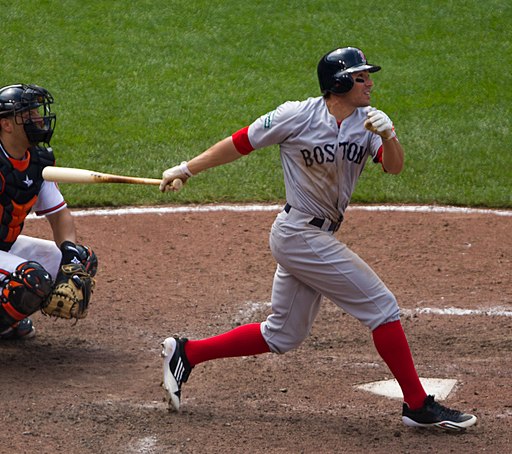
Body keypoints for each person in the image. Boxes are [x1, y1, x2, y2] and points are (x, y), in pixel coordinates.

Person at [158, 47, 477, 431]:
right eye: (361, 78)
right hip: (299, 233)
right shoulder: (296, 115)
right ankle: (416, 404)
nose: (370, 84)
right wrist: (185, 170)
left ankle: (188, 353)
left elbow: (394, 167)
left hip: (311, 235)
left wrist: (389, 136)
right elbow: (240, 143)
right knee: (381, 307)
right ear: (339, 82)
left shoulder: (368, 122)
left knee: (283, 334)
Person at [0, 84, 97, 340]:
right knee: (30, 279)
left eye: (37, 112)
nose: (39, 119)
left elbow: (59, 215)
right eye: (28, 114)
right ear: (6, 124)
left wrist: (69, 256)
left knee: (81, 260)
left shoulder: (38, 161)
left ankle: (7, 322)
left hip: (4, 248)